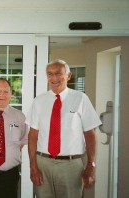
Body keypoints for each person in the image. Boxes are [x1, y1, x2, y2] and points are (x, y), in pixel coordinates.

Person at [26, 59, 102, 198]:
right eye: (50, 74)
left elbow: (90, 134)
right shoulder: (39, 101)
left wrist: (91, 165)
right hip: (43, 163)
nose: (54, 78)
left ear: (68, 75)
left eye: (58, 73)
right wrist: (33, 166)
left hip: (71, 165)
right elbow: (32, 135)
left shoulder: (81, 99)